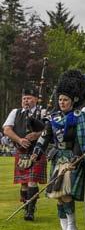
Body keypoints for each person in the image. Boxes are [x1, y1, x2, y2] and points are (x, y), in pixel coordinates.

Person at [31, 70, 85, 230]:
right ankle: (64, 226)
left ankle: (72, 226)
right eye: (60, 99)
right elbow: (45, 136)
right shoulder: (53, 117)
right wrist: (37, 152)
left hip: (72, 158)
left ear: (73, 100)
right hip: (57, 157)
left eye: (65, 100)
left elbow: (82, 139)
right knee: (57, 194)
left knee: (65, 193)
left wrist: (76, 159)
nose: (62, 102)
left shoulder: (80, 117)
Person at [2, 88, 47, 221]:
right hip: (21, 151)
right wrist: (19, 140)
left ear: (36, 99)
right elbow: (7, 129)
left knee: (32, 181)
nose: (26, 101)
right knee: (24, 183)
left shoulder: (43, 112)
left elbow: (50, 129)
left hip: (36, 152)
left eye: (29, 98)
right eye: (24, 98)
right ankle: (26, 206)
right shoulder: (15, 112)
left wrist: (37, 135)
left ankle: (30, 211)